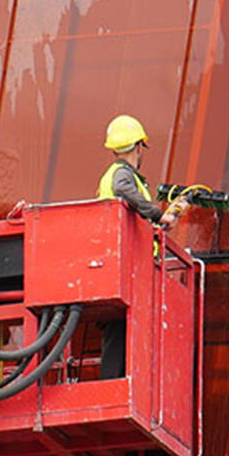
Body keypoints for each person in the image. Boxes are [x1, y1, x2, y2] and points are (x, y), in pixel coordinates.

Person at [96, 115, 186, 379]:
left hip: (123, 261)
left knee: (121, 328)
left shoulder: (115, 176)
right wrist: (160, 215)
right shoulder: (123, 175)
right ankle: (115, 384)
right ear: (138, 147)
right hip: (127, 263)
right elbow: (123, 189)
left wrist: (166, 216)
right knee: (118, 327)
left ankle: (119, 381)